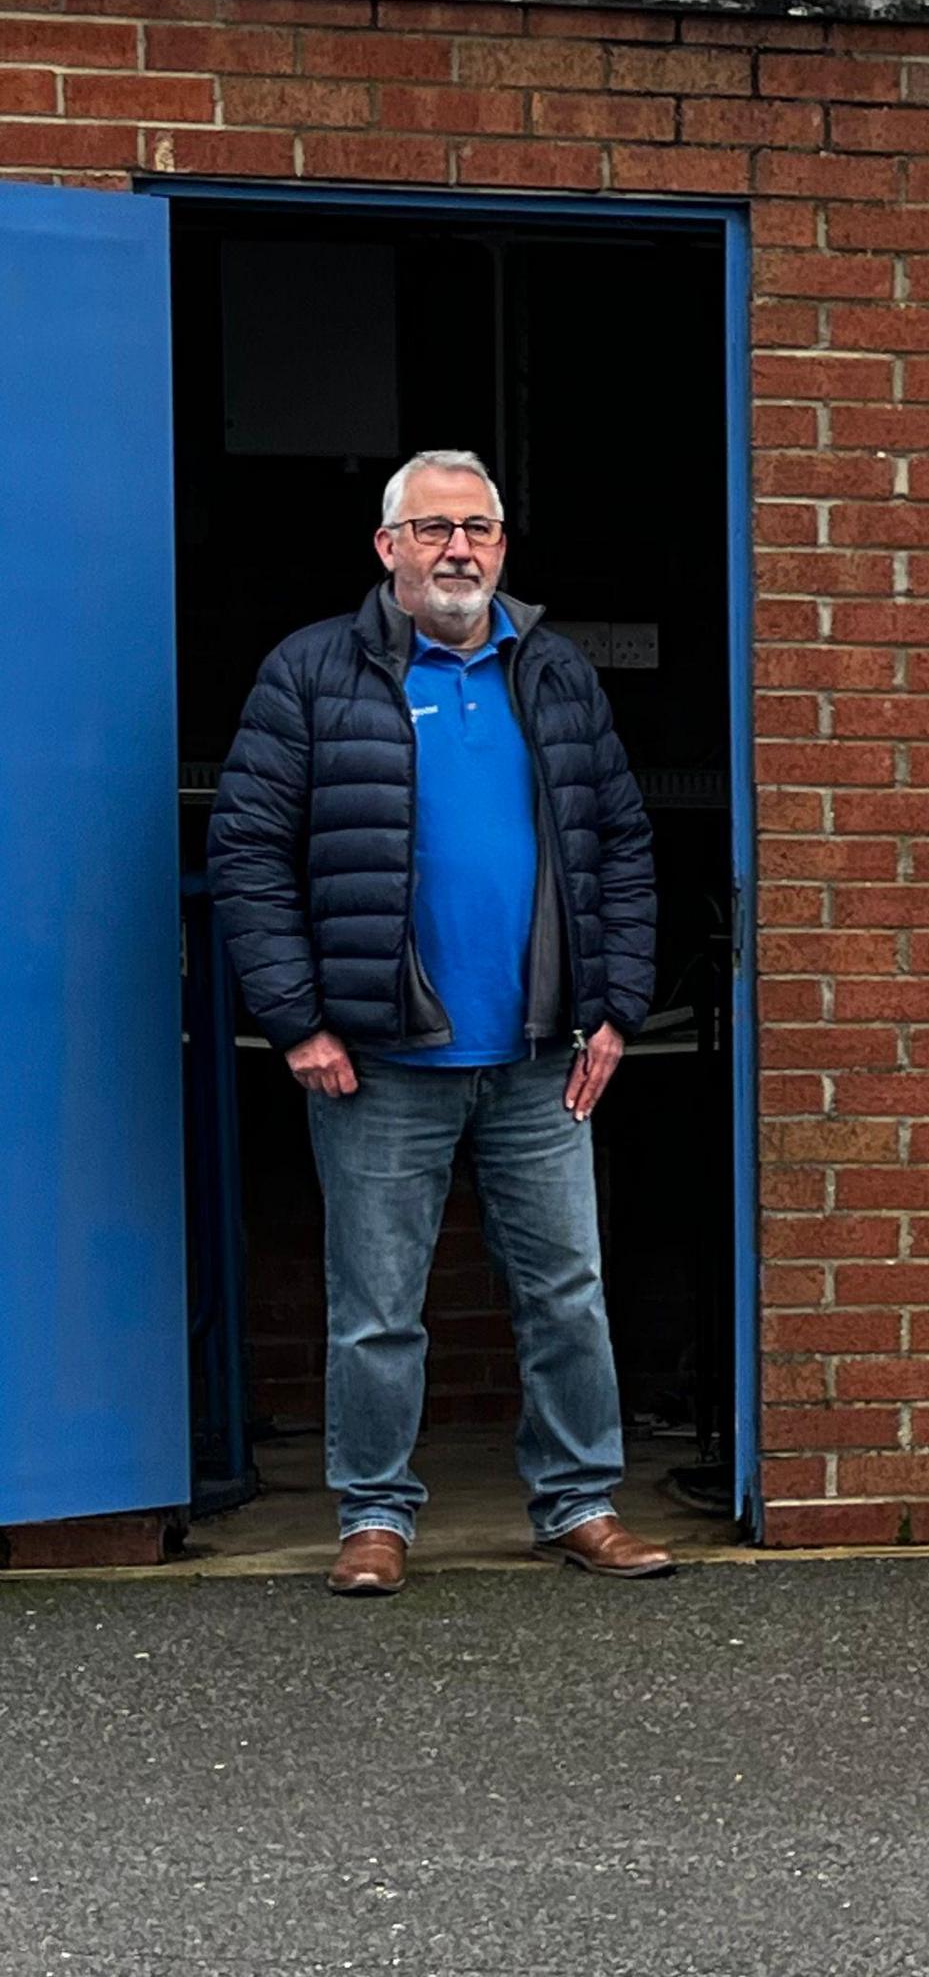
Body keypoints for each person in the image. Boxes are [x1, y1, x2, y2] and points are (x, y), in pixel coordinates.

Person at [207, 450, 672, 1596]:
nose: (458, 548)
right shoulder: (312, 672)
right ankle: (373, 1515)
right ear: (388, 548)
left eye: (479, 527)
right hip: (375, 1057)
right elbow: (248, 854)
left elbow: (621, 843)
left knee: (568, 1293)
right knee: (376, 1310)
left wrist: (616, 1009)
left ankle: (579, 1501)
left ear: (503, 544)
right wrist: (297, 1020)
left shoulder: (554, 672)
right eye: (432, 529)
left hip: (538, 1054)